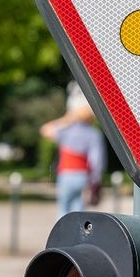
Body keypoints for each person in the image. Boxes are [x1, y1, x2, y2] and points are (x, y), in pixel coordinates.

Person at [41, 90, 106, 218]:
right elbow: (96, 160)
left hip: (66, 174)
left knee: (63, 209)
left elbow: (45, 130)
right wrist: (96, 179)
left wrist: (68, 118)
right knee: (79, 211)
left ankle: (62, 236)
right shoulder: (94, 134)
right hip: (83, 175)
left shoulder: (66, 131)